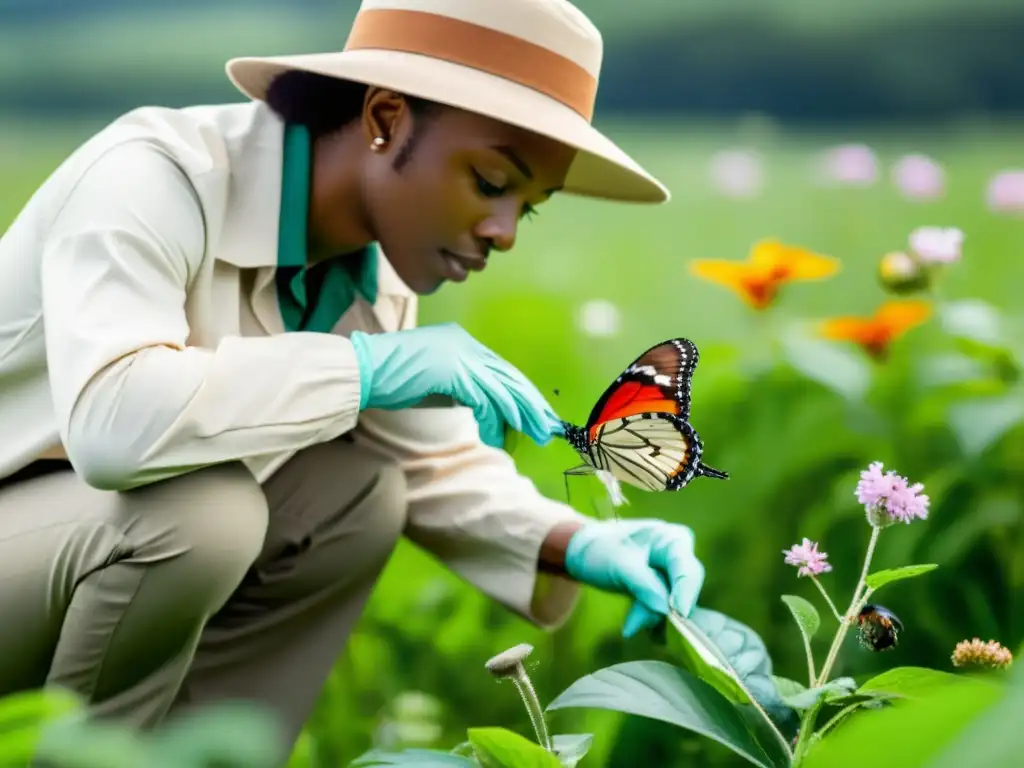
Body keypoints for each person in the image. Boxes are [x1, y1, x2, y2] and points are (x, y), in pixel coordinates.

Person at [0, 0, 714, 757]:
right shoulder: (157, 179)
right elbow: (116, 423)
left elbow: (428, 464)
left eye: (526, 210)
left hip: (56, 565)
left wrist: (578, 542)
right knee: (204, 514)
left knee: (359, 494)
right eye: (490, 180)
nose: (503, 232)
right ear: (384, 118)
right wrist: (366, 367)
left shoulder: (370, 273)